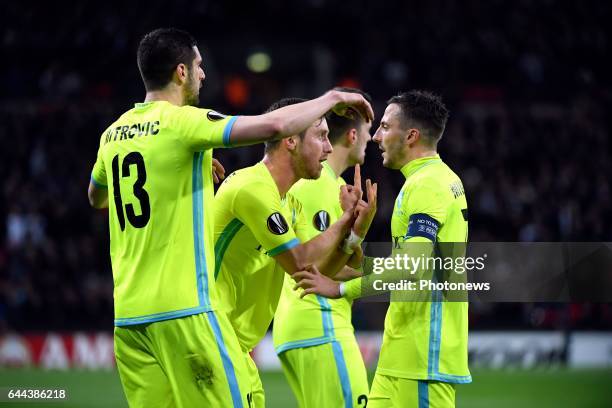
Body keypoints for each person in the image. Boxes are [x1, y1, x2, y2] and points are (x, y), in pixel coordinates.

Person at [87, 27, 373, 408]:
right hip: (186, 311)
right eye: (199, 65)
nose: (204, 74)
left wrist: (174, 171)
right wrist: (331, 97)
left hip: (129, 318)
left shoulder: (112, 135)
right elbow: (271, 125)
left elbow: (97, 197)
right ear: (181, 72)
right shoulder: (183, 123)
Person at [294, 91, 470, 408]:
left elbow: (412, 267)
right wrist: (363, 260)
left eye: (385, 127)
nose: (376, 136)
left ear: (412, 135)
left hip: (422, 358)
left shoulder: (427, 185)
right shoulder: (434, 180)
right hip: (400, 356)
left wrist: (341, 289)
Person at [213, 97, 377, 407]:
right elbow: (301, 260)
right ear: (290, 140)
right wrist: (345, 221)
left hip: (237, 346)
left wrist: (355, 231)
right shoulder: (252, 187)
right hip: (215, 336)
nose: (329, 148)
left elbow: (316, 269)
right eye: (321, 136)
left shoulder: (288, 202)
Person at [273, 88, 372, 408]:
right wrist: (371, 274)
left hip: (302, 327)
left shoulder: (329, 186)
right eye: (370, 131)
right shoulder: (319, 185)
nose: (372, 140)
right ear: (354, 135)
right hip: (321, 323)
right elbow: (314, 267)